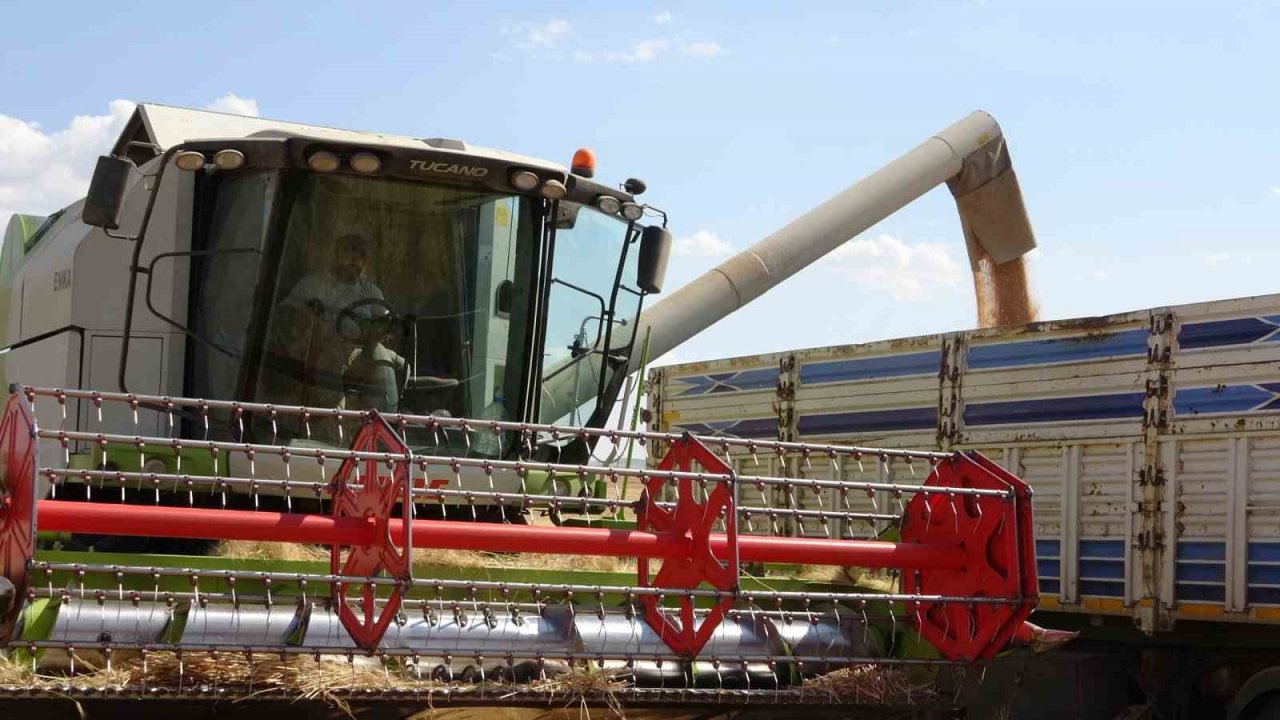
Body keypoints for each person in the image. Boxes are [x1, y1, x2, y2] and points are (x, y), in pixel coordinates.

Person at [281, 232, 384, 315]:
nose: (353, 259)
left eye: (358, 254)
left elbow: (383, 327)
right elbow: (285, 313)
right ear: (336, 256)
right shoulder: (312, 285)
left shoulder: (372, 293)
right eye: (346, 252)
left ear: (364, 260)